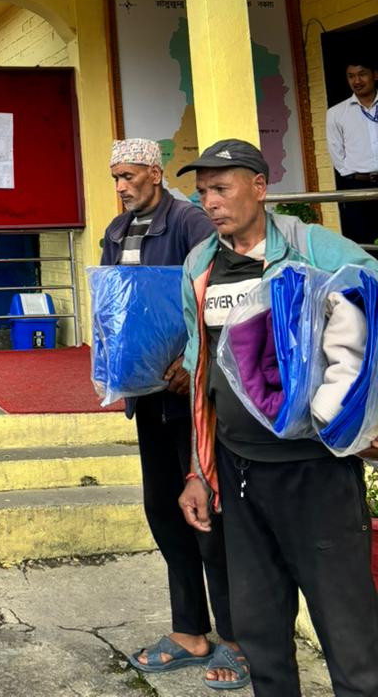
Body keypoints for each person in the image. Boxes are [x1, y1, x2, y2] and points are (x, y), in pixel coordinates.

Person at [177, 139, 378, 697]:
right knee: (260, 631)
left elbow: (372, 309)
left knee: (350, 633)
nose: (210, 202)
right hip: (239, 472)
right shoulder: (200, 265)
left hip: (315, 474)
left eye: (221, 188)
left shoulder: (313, 248)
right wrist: (199, 470)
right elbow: (199, 374)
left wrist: (366, 417)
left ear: (260, 187)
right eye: (202, 192)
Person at [101, 139, 243, 686]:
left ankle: (237, 639)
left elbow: (217, 294)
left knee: (209, 517)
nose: (121, 187)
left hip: (193, 396)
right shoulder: (117, 232)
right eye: (116, 177)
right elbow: (115, 302)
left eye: (130, 176)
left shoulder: (188, 223)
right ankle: (190, 632)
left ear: (155, 173)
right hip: (148, 394)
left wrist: (191, 357)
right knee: (162, 509)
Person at [326, 57, 378, 248]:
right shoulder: (336, 113)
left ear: (375, 75)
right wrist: (352, 174)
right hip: (358, 186)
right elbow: (336, 151)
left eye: (362, 74)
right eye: (351, 76)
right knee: (363, 243)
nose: (357, 81)